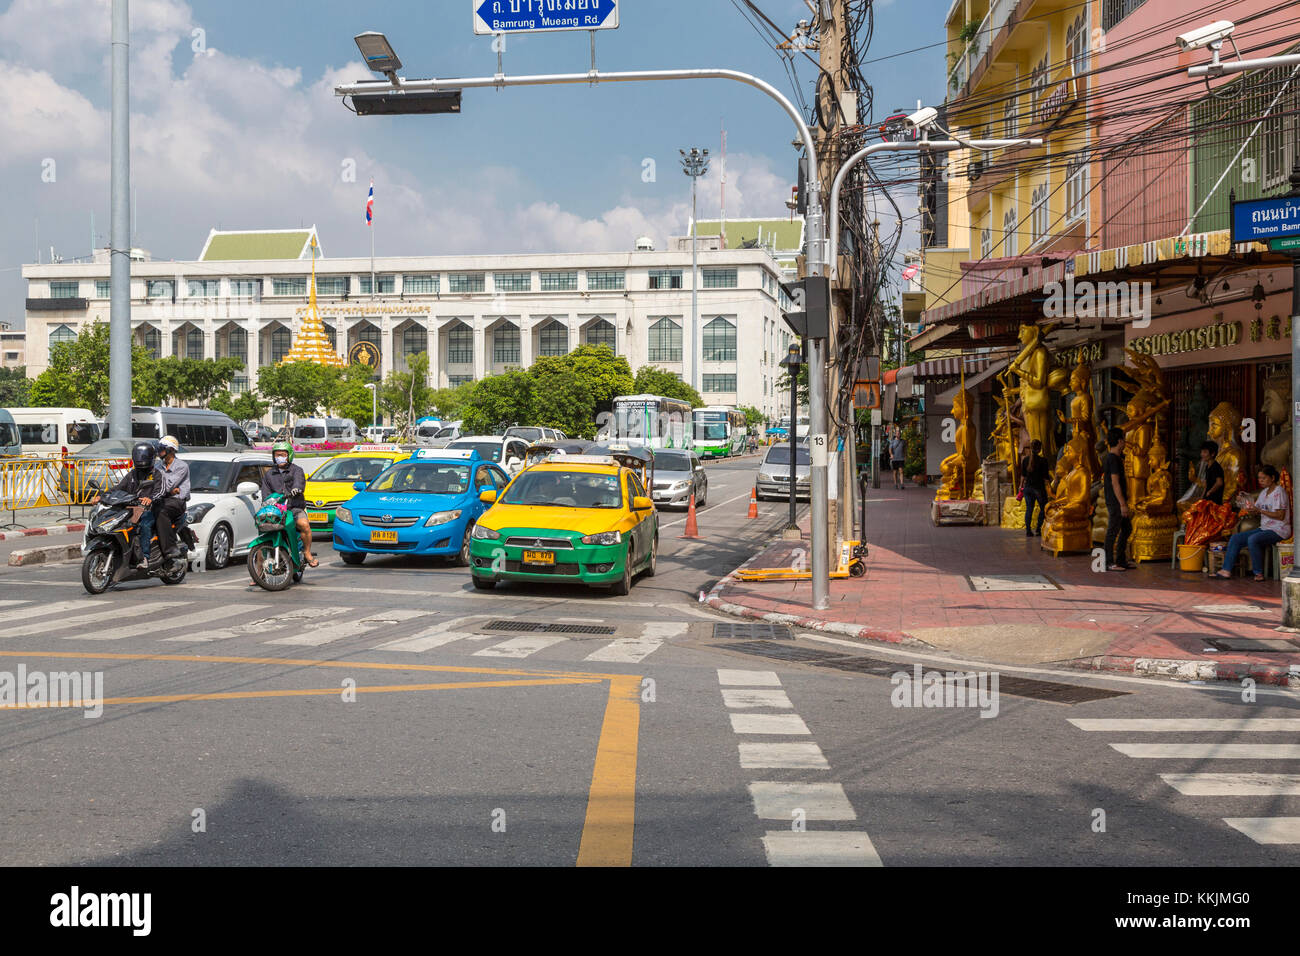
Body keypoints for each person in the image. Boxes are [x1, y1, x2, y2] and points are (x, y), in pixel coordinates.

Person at [1216, 464, 1291, 581]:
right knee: (1236, 538)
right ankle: (1226, 570)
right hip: (1265, 528)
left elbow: (1280, 516)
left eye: (1263, 478)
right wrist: (1245, 503)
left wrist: (1260, 510)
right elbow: (1256, 510)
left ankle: (1258, 573)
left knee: (1253, 539)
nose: (1260, 481)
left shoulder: (1279, 492)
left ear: (1272, 478)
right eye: (1259, 478)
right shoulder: (1264, 492)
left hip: (1279, 529)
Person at [93, 442, 162, 567]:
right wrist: (101, 497)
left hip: (149, 509)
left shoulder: (157, 474)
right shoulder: (132, 474)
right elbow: (119, 488)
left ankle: (144, 557)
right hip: (131, 508)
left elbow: (160, 491)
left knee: (145, 525)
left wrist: (150, 498)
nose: (141, 460)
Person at [261, 441, 318, 571]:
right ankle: (258, 572)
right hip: (276, 511)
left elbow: (299, 482)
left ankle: (307, 552)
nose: (279, 457)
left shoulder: (296, 470)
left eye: (282, 454)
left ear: (289, 455)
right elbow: (265, 493)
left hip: (294, 508)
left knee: (304, 525)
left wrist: (296, 489)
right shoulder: (269, 474)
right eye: (277, 455)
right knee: (262, 537)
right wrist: (267, 501)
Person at [150, 435, 190, 566]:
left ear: (171, 450)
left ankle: (169, 549)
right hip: (161, 498)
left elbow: (166, 486)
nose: (159, 451)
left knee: (161, 511)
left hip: (177, 502)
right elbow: (153, 484)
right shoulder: (158, 466)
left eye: (162, 449)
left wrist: (169, 490)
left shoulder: (181, 466)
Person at [1103, 427, 1132, 571]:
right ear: (1120, 441)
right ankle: (1108, 562)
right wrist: (1122, 504)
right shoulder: (1112, 459)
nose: (1125, 442)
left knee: (1127, 528)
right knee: (1113, 530)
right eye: (1124, 439)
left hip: (1119, 500)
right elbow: (1115, 482)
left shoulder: (1116, 458)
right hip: (1115, 501)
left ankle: (1121, 560)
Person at [1020, 439, 1049, 536]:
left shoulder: (1025, 460)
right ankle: (1038, 528)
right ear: (1040, 449)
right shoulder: (1043, 461)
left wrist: (1021, 487)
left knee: (1029, 509)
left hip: (1027, 488)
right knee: (1044, 508)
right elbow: (1046, 478)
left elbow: (1023, 476)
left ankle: (1028, 531)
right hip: (1039, 489)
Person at [1200, 440, 1225, 504]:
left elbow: (1219, 482)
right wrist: (1202, 498)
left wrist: (1210, 492)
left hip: (1214, 500)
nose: (1202, 454)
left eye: (1205, 452)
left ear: (1213, 454)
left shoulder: (1216, 467)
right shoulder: (1207, 466)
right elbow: (1206, 485)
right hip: (1208, 498)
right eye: (1202, 452)